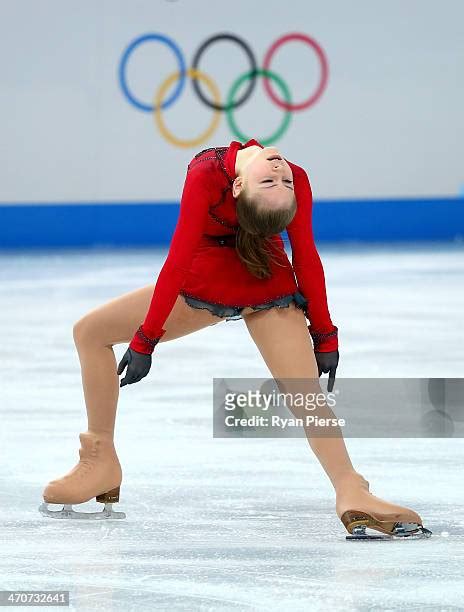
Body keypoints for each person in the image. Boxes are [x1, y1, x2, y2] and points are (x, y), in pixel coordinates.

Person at [39, 139, 431, 539]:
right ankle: (349, 487)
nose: (281, 173)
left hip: (232, 279)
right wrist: (145, 338)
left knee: (90, 333)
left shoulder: (212, 174)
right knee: (303, 394)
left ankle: (101, 457)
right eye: (275, 181)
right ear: (239, 188)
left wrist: (325, 334)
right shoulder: (246, 174)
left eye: (281, 182)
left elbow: (298, 255)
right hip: (253, 282)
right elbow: (288, 257)